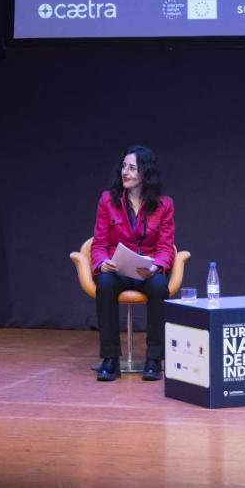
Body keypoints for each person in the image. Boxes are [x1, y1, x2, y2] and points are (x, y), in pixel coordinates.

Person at [90, 145, 176, 382]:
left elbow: (166, 247)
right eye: (123, 167)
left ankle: (154, 359)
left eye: (132, 168)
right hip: (117, 269)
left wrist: (155, 266)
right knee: (104, 283)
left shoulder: (164, 204)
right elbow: (98, 244)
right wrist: (102, 262)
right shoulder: (108, 200)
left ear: (145, 173)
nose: (125, 172)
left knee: (159, 287)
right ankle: (110, 359)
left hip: (146, 270)